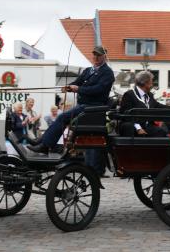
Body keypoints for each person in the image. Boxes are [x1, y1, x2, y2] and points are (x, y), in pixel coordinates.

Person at [28, 46, 115, 177]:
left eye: (99, 55)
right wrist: (68, 86)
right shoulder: (88, 70)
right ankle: (42, 142)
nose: (96, 58)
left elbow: (98, 89)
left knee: (62, 117)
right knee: (62, 117)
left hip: (93, 107)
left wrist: (78, 89)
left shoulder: (107, 73)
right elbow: (78, 82)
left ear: (104, 56)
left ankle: (45, 144)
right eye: (94, 55)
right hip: (84, 105)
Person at [119, 71, 169, 137]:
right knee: (130, 128)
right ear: (146, 83)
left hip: (147, 126)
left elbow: (158, 106)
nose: (152, 84)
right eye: (151, 81)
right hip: (133, 126)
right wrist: (138, 128)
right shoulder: (129, 95)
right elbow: (126, 115)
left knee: (162, 132)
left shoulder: (149, 95)